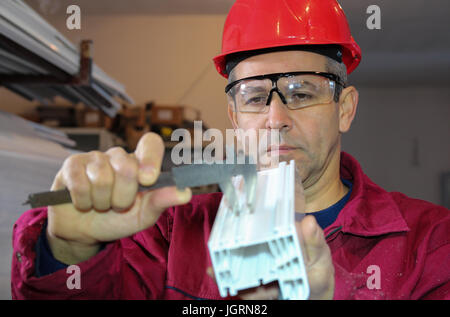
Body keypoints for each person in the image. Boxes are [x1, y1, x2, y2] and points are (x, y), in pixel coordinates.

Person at [11, 0, 450, 300]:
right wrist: (70, 249)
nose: (275, 118)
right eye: (256, 96)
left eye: (301, 93)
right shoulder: (169, 233)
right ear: (236, 116)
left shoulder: (431, 243)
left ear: (345, 109)